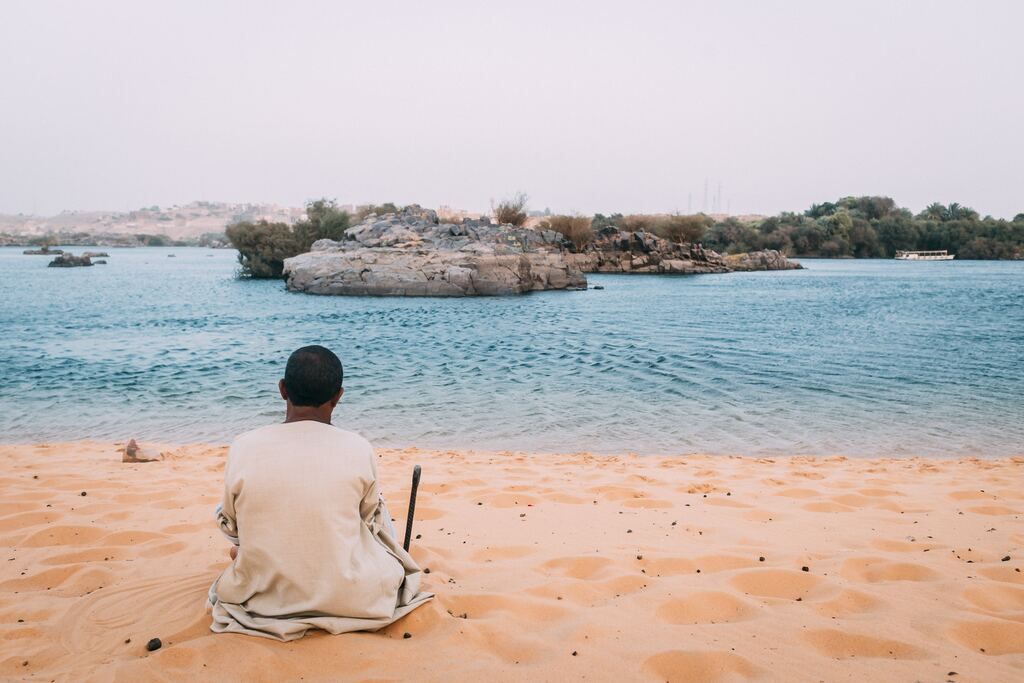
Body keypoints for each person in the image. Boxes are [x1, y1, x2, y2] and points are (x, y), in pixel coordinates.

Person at [207, 345, 432, 641]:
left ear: (282, 389)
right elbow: (369, 521)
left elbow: (231, 525)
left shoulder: (244, 445)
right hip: (350, 593)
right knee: (374, 506)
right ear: (339, 395)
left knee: (230, 511)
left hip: (266, 596)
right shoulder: (357, 447)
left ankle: (262, 558)